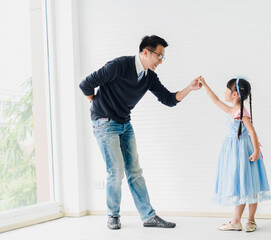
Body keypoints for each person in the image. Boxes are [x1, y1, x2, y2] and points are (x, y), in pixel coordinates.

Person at [79, 35, 202, 230]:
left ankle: (149, 216)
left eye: (163, 57)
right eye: (159, 56)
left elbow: (168, 99)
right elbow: (85, 84)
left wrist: (189, 88)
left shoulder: (149, 77)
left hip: (124, 122)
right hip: (104, 122)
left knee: (134, 171)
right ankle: (113, 216)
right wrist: (97, 104)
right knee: (116, 171)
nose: (160, 61)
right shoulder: (119, 65)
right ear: (146, 52)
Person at [199, 76, 271, 232]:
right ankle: (237, 220)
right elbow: (217, 101)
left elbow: (252, 131)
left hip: (244, 151)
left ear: (235, 94)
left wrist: (256, 151)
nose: (224, 92)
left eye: (227, 89)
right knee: (241, 185)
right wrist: (205, 85)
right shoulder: (233, 110)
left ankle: (250, 220)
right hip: (234, 151)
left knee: (249, 185)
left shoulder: (241, 112)